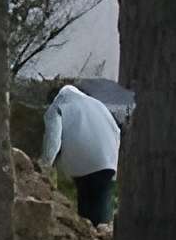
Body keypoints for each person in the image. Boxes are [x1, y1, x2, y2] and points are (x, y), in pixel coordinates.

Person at [39, 80, 122, 225]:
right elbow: (116, 131)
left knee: (87, 214)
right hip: (108, 163)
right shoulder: (97, 104)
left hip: (84, 165)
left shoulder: (57, 106)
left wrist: (44, 166)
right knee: (102, 216)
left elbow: (53, 140)